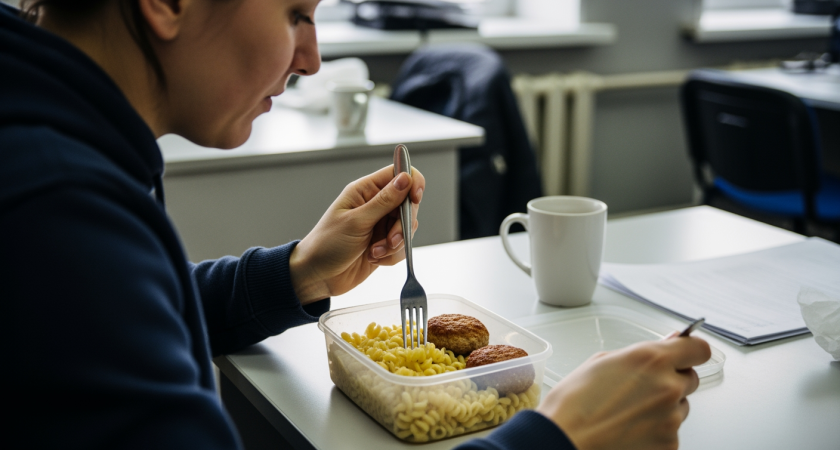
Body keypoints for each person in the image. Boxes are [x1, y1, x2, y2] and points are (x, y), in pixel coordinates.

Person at [0, 0, 711, 449]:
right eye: (295, 15)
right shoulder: (58, 206)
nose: (310, 59)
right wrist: (562, 436)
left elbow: (121, 316)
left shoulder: (52, 136)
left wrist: (296, 271)